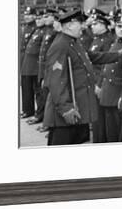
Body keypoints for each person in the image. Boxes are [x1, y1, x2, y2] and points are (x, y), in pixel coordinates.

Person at [43, 8, 97, 145]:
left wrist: (118, 55)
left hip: (78, 109)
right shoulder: (60, 45)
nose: (84, 27)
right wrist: (66, 108)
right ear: (70, 25)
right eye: (81, 23)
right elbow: (56, 81)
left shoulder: (73, 42)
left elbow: (91, 58)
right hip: (67, 114)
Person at [95, 13, 122, 142]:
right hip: (107, 89)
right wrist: (99, 84)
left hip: (117, 91)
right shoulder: (114, 43)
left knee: (115, 129)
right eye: (119, 26)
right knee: (105, 127)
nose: (121, 29)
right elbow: (105, 65)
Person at [87, 9, 115, 143]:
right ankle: (97, 138)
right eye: (92, 24)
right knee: (94, 111)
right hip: (92, 77)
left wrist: (99, 83)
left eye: (96, 24)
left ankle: (100, 140)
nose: (92, 26)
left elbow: (106, 63)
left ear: (104, 25)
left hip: (100, 79)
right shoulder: (96, 39)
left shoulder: (108, 40)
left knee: (100, 113)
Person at [28, 7, 58, 126]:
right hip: (41, 66)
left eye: (47, 16)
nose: (43, 19)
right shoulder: (46, 30)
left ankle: (48, 122)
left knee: (48, 96)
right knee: (40, 94)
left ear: (54, 17)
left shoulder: (55, 32)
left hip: (49, 68)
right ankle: (43, 118)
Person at [20, 9, 45, 119]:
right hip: (26, 62)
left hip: (35, 64)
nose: (27, 17)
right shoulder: (27, 28)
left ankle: (38, 113)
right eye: (26, 14)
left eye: (29, 15)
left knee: (37, 90)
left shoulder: (38, 28)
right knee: (26, 88)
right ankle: (27, 109)